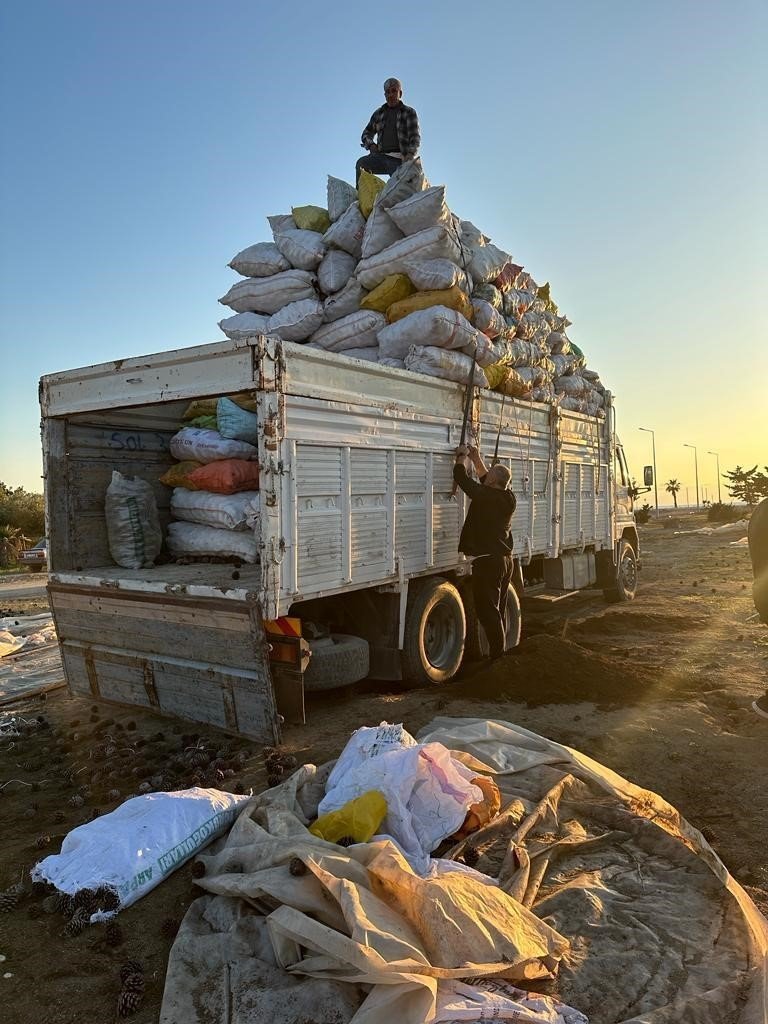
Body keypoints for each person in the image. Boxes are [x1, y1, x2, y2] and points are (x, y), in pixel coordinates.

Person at [453, 445, 517, 661]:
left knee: (487, 611)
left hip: (489, 562)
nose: (486, 476)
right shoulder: (509, 497)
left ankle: (498, 658)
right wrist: (477, 459)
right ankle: (500, 655)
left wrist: (462, 457)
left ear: (492, 481)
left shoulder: (486, 496)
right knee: (497, 610)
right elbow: (485, 481)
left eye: (489, 475)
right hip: (506, 561)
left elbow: (461, 479)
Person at [356, 78, 420, 186]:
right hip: (381, 157)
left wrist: (409, 156)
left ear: (400, 93)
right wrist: (371, 145)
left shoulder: (409, 112)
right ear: (384, 95)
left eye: (394, 91)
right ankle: (362, 196)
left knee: (402, 188)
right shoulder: (379, 113)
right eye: (387, 92)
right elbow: (366, 133)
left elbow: (415, 138)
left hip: (400, 159)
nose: (390, 95)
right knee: (361, 164)